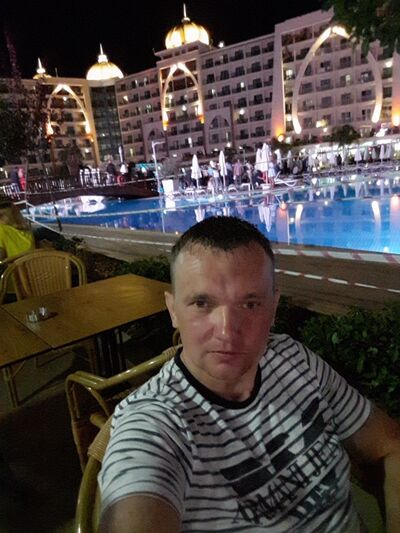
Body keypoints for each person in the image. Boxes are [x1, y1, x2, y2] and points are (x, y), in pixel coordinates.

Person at [99, 217, 400, 533]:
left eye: (250, 304)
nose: (227, 332)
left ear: (274, 307)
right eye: (202, 303)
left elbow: (390, 442)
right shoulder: (155, 423)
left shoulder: (293, 358)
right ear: (173, 310)